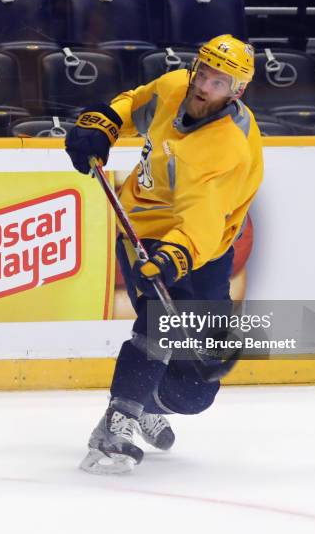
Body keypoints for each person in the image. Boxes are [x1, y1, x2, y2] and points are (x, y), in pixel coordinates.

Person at [65, 34, 264, 474]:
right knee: (159, 321)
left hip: (204, 246)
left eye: (219, 80)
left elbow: (204, 221)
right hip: (144, 227)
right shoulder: (176, 86)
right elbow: (135, 104)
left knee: (197, 390)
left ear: (237, 91)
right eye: (204, 71)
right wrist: (102, 124)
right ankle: (118, 424)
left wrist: (177, 254)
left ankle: (148, 403)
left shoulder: (225, 148)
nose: (205, 84)